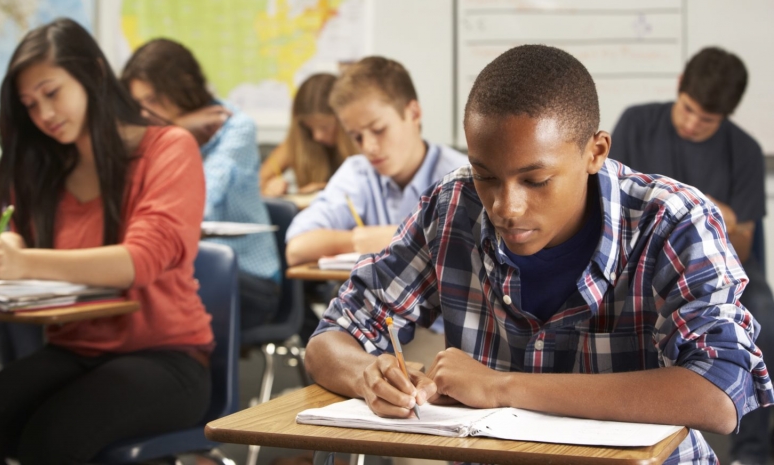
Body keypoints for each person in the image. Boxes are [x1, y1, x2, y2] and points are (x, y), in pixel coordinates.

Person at [303, 45, 774, 464]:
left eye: (536, 180)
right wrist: (367, 374)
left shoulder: (673, 221)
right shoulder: (452, 208)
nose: (506, 207)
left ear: (595, 152)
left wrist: (501, 387)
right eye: (486, 175)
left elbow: (719, 393)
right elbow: (331, 338)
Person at [0, 18, 213, 464]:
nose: (44, 114)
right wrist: (16, 248)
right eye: (29, 104)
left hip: (166, 358)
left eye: (52, 92)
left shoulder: (169, 149)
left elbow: (139, 261)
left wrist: (24, 262)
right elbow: (21, 236)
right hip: (74, 350)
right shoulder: (45, 163)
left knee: (51, 440)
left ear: (94, 74)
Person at [611, 46, 773, 465]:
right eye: (688, 110)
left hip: (721, 265)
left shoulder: (745, 150)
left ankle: (752, 451)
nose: (692, 124)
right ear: (680, 85)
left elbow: (743, 244)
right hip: (642, 259)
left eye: (707, 120)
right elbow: (612, 207)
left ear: (726, 117)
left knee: (761, 312)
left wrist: (704, 213)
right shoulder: (637, 122)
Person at [122, 38, 281, 330]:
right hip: (186, 269)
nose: (144, 114)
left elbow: (196, 205)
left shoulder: (236, 127)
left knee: (157, 291)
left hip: (247, 277)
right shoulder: (151, 135)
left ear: (182, 88)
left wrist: (174, 137)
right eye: (137, 104)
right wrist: (177, 129)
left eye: (153, 101)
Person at [285, 56, 468, 266]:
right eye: (357, 137)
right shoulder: (357, 173)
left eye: (379, 130)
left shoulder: (463, 176)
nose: (369, 147)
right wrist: (359, 240)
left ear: (413, 113)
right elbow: (296, 248)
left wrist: (399, 236)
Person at [259, 73, 357, 197]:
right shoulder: (297, 143)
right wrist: (270, 189)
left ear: (343, 120)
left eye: (325, 127)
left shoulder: (362, 141)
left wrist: (327, 189)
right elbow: (259, 182)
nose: (317, 136)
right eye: (309, 128)